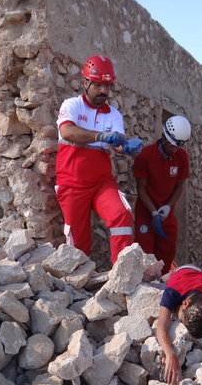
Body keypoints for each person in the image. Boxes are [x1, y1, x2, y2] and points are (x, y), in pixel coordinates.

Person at [55, 55, 143, 264]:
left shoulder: (113, 114)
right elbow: (67, 131)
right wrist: (100, 136)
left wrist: (127, 147)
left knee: (122, 215)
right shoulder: (72, 105)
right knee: (78, 244)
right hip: (72, 183)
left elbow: (118, 143)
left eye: (108, 86)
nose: (104, 91)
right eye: (99, 85)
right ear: (86, 82)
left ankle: (121, 274)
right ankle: (78, 289)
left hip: (101, 183)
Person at [133, 115, 191, 275]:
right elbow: (141, 189)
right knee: (145, 254)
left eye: (178, 147)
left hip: (166, 214)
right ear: (164, 136)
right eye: (172, 145)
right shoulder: (145, 155)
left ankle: (163, 285)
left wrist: (168, 206)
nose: (174, 150)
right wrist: (153, 212)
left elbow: (180, 186)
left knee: (167, 253)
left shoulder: (181, 157)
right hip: (146, 213)